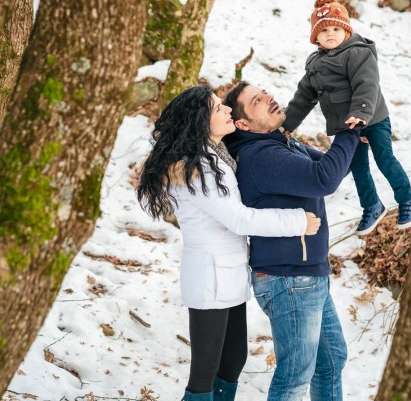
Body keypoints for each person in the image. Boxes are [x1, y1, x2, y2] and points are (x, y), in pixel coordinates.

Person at [136, 85, 320, 401]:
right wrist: (296, 222)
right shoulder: (197, 168)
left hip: (229, 274)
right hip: (210, 277)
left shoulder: (216, 157)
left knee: (232, 362)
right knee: (204, 374)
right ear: (200, 121)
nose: (228, 111)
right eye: (218, 108)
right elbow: (237, 218)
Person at [223, 82, 361, 401]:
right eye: (257, 100)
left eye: (266, 92)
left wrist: (355, 135)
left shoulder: (279, 143)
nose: (269, 98)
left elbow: (329, 168)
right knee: (295, 378)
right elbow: (323, 179)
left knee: (330, 361)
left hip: (306, 275)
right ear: (243, 123)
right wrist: (349, 132)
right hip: (290, 279)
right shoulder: (260, 155)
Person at [283, 0, 411, 235]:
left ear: (346, 30)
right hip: (347, 126)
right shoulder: (314, 64)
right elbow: (304, 97)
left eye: (335, 29)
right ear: (316, 38)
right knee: (358, 166)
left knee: (384, 158)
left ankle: (407, 198)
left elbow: (367, 84)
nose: (330, 34)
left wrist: (362, 113)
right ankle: (372, 205)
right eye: (324, 31)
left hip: (372, 118)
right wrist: (287, 124)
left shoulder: (358, 52)